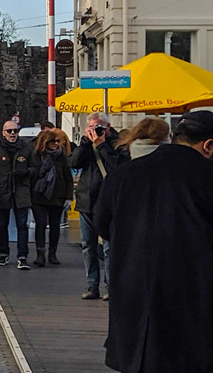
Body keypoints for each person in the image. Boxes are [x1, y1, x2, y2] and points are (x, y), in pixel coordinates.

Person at [95, 110, 213, 373]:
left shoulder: (122, 177)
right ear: (208, 146)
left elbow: (103, 226)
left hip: (138, 319)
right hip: (202, 317)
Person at [69, 112, 128, 300]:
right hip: (87, 201)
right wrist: (86, 142)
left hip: (108, 203)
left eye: (100, 127)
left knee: (109, 248)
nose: (97, 131)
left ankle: (111, 286)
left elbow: (119, 166)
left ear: (108, 127)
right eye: (93, 127)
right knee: (88, 246)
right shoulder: (86, 144)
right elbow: (74, 162)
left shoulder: (119, 143)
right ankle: (91, 284)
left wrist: (102, 145)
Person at [0, 119, 36, 269]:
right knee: (2, 225)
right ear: (3, 133)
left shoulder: (26, 148)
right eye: (9, 131)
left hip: (21, 192)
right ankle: (3, 254)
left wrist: (25, 172)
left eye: (15, 130)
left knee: (22, 225)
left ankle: (22, 256)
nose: (13, 133)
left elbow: (35, 168)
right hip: (2, 192)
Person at [29, 128, 73, 268]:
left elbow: (68, 177)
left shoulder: (61, 157)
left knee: (55, 226)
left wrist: (68, 196)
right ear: (44, 142)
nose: (56, 144)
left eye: (57, 141)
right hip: (39, 196)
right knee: (40, 224)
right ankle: (40, 254)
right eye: (52, 141)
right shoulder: (36, 156)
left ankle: (52, 254)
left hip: (57, 196)